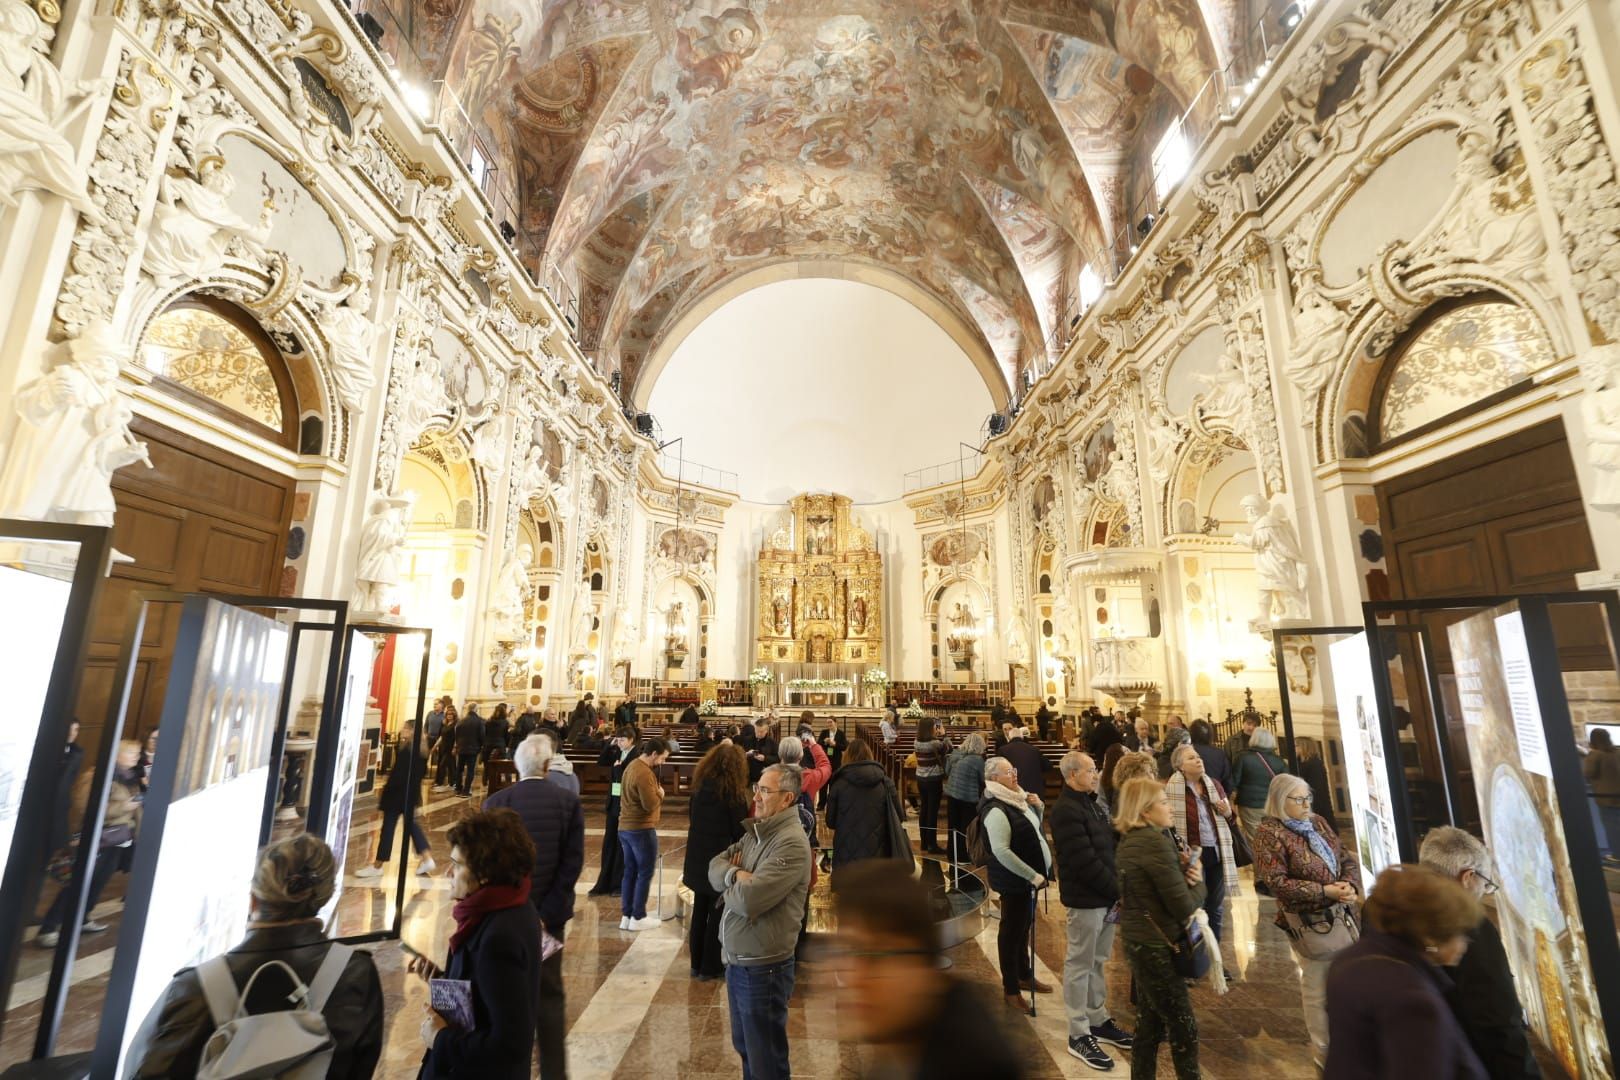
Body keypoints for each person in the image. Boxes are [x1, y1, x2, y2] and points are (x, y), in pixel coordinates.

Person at [124, 834, 383, 1078]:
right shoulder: (356, 973)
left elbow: (147, 1071)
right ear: (323, 898)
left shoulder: (194, 987)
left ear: (253, 901)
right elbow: (360, 1067)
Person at [830, 859, 1027, 1079]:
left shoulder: (979, 1063)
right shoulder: (900, 1043)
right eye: (849, 951)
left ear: (920, 962)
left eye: (876, 956)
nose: (855, 978)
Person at [483, 735, 585, 1080]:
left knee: (501, 996)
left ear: (517, 765)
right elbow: (571, 865)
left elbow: (487, 868)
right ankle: (554, 1074)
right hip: (547, 920)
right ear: (547, 765)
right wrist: (545, 914)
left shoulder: (496, 802)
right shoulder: (568, 801)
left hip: (501, 921)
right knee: (549, 997)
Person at [1324, 865, 1487, 1079]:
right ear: (1430, 937)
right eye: (1459, 934)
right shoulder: (1415, 1001)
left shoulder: (1350, 958)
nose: (1464, 945)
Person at [412, 810, 539, 1079]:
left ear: (483, 874)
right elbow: (491, 991)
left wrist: (440, 1038)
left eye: (457, 865)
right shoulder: (514, 904)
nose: (448, 872)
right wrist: (447, 979)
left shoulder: (497, 937)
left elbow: (510, 1043)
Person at [710, 763, 813, 1080]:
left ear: (787, 798)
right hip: (740, 960)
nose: (756, 795)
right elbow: (714, 866)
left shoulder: (790, 843)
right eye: (757, 787)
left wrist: (733, 886)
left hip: (763, 967)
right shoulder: (757, 831)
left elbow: (749, 900)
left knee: (766, 1058)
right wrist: (735, 875)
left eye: (765, 790)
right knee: (746, 1048)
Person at [1254, 773, 1361, 1067]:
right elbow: (1275, 882)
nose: (1305, 804)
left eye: (1307, 798)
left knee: (1349, 983)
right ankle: (1325, 1052)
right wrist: (1324, 890)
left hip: (1343, 916)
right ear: (1280, 800)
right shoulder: (1270, 833)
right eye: (1298, 799)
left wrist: (1349, 884)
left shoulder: (1318, 823)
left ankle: (1351, 1043)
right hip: (1310, 923)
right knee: (1318, 988)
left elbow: (1345, 857)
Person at [1419, 827, 1541, 1079]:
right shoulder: (1471, 927)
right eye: (1486, 884)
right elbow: (1498, 1024)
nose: (1484, 891)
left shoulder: (1387, 911)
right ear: (1468, 877)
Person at [1114, 776, 1205, 1079]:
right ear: (1145, 811)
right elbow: (1183, 905)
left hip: (1141, 940)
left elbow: (1152, 889)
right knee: (1183, 1026)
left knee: (1150, 1024)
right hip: (1156, 946)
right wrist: (1198, 881)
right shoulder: (1154, 841)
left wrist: (1178, 871)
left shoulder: (1131, 839)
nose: (1170, 808)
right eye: (1164, 802)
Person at [1049, 751, 1133, 1069]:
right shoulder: (1065, 811)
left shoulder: (1090, 802)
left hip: (1107, 897)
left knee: (1098, 960)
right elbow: (1083, 862)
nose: (1096, 774)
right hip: (1086, 899)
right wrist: (1117, 890)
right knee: (1079, 964)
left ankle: (1098, 1020)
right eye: (1090, 770)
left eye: (1095, 769)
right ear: (1072, 775)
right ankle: (1078, 1033)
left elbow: (1107, 846)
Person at [37, 739, 142, 947]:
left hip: (118, 839)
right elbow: (87, 807)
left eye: (137, 753)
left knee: (98, 883)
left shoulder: (130, 779)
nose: (136, 757)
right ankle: (49, 927)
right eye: (131, 753)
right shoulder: (96, 776)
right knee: (78, 882)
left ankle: (82, 918)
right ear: (117, 754)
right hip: (97, 838)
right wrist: (125, 807)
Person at [979, 756, 1053, 1013]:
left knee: (1023, 928)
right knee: (1011, 933)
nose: (1014, 775)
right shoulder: (996, 808)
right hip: (1015, 880)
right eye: (1008, 772)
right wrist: (1031, 875)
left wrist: (1038, 808)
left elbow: (1032, 830)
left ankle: (1024, 974)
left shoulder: (1017, 798)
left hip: (1027, 880)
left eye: (1014, 769)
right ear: (994, 778)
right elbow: (1001, 850)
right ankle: (1011, 989)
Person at [686, 743, 751, 981]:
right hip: (720, 861)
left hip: (696, 857)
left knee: (699, 911)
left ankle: (695, 963)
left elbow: (692, 816)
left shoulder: (699, 787)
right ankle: (710, 966)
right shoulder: (733, 793)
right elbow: (741, 830)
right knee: (717, 913)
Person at [1165, 743, 1238, 944]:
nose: (1198, 760)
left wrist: (1227, 812)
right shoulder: (1172, 789)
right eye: (1191, 758)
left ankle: (1214, 954)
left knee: (1215, 907)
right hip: (1192, 855)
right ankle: (1195, 956)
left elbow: (1230, 819)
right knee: (1195, 906)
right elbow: (1168, 824)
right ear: (1180, 767)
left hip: (1216, 851)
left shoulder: (1213, 784)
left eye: (1198, 757)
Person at [356, 721, 436, 878]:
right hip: (409, 795)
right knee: (411, 827)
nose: (402, 730)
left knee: (388, 829)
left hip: (397, 795)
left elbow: (398, 776)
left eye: (406, 728)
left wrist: (387, 793)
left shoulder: (408, 750)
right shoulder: (421, 750)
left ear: (413, 731)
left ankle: (378, 865)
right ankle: (427, 858)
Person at [824, 738, 904, 870]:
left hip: (846, 857)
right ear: (869, 755)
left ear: (847, 757)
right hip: (879, 857)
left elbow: (830, 822)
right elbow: (899, 817)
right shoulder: (885, 782)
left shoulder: (838, 784)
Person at [618, 738, 670, 930]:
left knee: (630, 872)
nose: (663, 762)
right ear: (654, 754)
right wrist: (661, 794)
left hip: (625, 826)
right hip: (641, 827)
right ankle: (638, 916)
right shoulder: (644, 772)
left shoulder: (631, 765)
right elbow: (649, 804)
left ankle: (627, 915)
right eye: (663, 758)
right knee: (645, 872)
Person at [587, 726, 640, 897]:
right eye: (618, 739)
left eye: (623, 740)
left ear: (631, 740)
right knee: (609, 843)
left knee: (622, 845)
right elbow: (601, 762)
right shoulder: (617, 751)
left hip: (626, 804)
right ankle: (603, 882)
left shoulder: (637, 755)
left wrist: (618, 770)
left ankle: (619, 883)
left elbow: (630, 778)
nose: (620, 743)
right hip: (613, 803)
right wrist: (610, 745)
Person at [1233, 726, 1286, 838]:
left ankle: (1257, 856)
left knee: (1254, 837)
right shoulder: (1279, 761)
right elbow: (1286, 784)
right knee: (1272, 836)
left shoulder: (1243, 757)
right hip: (1271, 804)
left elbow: (1234, 781)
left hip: (1249, 805)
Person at [45, 718, 85, 866]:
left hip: (61, 801)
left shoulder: (77, 753)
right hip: (43, 800)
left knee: (57, 838)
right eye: (69, 729)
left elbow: (71, 778)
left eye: (76, 730)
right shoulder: (49, 748)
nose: (72, 733)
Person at [943, 732, 986, 866]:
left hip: (952, 794)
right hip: (967, 797)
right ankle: (962, 857)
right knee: (965, 828)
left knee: (953, 825)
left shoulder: (956, 754)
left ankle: (951, 854)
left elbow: (947, 771)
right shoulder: (977, 760)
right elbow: (983, 779)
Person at [913, 718, 950, 854]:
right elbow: (949, 747)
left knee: (924, 809)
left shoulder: (916, 742)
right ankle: (932, 844)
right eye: (935, 727)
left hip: (921, 778)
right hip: (933, 779)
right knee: (932, 812)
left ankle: (924, 842)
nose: (936, 728)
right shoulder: (935, 743)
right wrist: (944, 734)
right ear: (930, 728)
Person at [1583, 728, 1620, 855]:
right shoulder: (1617, 751)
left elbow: (1588, 773)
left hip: (1607, 800)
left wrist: (1588, 755)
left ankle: (1617, 856)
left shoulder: (1595, 755)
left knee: (1613, 829)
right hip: (1617, 796)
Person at [1296, 736, 1339, 832]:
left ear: (1304, 747)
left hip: (1317, 804)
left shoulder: (1314, 764)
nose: (1293, 748)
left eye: (1296, 746)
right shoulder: (1300, 763)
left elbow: (1317, 788)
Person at [1000, 726, 1047, 800]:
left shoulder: (1003, 750)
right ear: (1022, 737)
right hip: (1033, 789)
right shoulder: (1034, 750)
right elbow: (1048, 766)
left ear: (1009, 737)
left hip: (1012, 790)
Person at [1189, 718, 1233, 793]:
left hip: (1194, 795)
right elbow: (1227, 780)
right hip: (1216, 794)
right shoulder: (1219, 753)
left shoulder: (1187, 752)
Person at [454, 703, 484, 798]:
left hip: (461, 748)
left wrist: (458, 746)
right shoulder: (479, 721)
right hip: (473, 749)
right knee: (470, 770)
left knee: (459, 769)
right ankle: (466, 790)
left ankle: (458, 788)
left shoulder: (461, 721)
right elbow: (482, 735)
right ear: (475, 709)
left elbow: (456, 735)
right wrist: (481, 746)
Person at [817, 720, 847, 808]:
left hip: (836, 760)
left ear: (836, 723)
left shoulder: (841, 733)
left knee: (834, 782)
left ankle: (832, 804)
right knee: (824, 782)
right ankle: (821, 804)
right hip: (825, 759)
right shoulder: (824, 732)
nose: (829, 724)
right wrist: (824, 742)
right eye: (827, 722)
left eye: (831, 722)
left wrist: (835, 744)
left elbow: (844, 747)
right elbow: (818, 744)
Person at [433, 701, 459, 792]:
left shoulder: (456, 724)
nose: (449, 716)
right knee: (449, 765)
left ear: (454, 715)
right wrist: (435, 745)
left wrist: (455, 748)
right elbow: (441, 736)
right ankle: (452, 783)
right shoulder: (444, 724)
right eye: (448, 714)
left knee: (446, 765)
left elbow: (457, 737)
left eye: (451, 715)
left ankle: (452, 783)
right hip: (444, 747)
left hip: (450, 747)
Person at [747, 718, 778, 783]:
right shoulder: (748, 740)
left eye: (761, 731)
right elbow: (740, 754)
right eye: (756, 731)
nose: (758, 733)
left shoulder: (772, 742)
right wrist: (747, 754)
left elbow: (777, 758)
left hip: (765, 776)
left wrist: (765, 758)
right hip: (749, 776)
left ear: (766, 730)